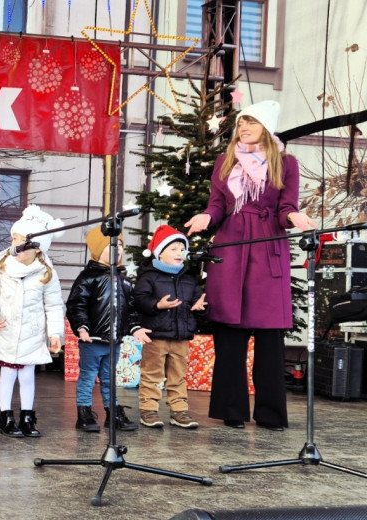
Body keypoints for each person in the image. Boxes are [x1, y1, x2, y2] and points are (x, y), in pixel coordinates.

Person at [184, 100, 316, 431]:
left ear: (266, 130)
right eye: (242, 123)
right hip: (230, 247)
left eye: (252, 123)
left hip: (267, 247)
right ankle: (232, 411)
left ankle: (271, 415)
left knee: (270, 337)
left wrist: (293, 216)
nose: (244, 128)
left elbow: (287, 205)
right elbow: (217, 205)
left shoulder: (286, 163)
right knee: (230, 334)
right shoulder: (224, 162)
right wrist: (206, 216)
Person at [0, 206, 65, 438]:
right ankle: (6, 417)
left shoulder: (47, 272)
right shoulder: (2, 266)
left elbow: (54, 304)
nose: (15, 244)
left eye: (20, 239)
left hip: (32, 333)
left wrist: (54, 333)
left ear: (36, 245)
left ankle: (27, 417)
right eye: (13, 238)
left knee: (27, 375)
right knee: (7, 373)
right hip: (6, 329)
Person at [66, 225, 150, 433]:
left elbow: (130, 309)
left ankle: (113, 413)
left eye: (120, 245)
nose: (118, 249)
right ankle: (84, 413)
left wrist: (135, 327)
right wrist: (82, 328)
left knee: (109, 378)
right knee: (87, 376)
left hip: (114, 341)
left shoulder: (123, 279)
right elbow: (77, 305)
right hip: (93, 340)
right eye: (112, 245)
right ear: (97, 249)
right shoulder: (88, 277)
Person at [132, 225, 207, 429]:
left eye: (181, 249)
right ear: (160, 252)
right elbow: (139, 301)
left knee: (178, 376)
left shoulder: (189, 280)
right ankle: (148, 410)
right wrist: (157, 305)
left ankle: (179, 411)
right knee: (152, 375)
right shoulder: (149, 276)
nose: (179, 253)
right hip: (156, 336)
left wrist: (198, 307)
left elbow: (196, 301)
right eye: (173, 248)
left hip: (181, 337)